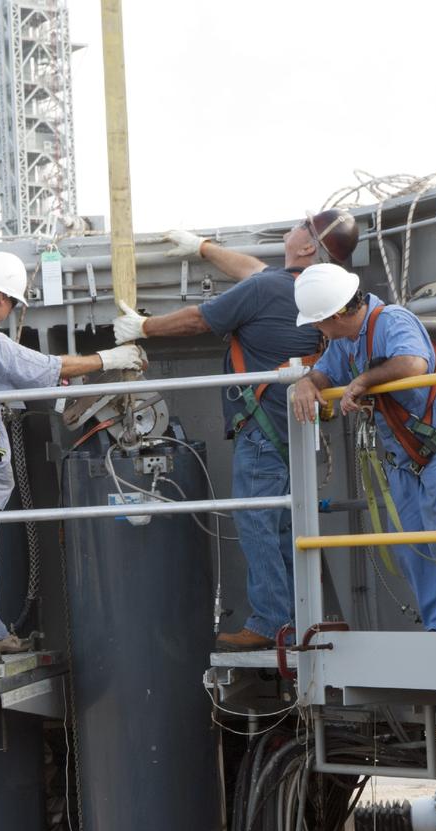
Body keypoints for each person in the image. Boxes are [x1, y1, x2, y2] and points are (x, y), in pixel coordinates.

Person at [113, 211, 359, 650]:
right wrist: (203, 248)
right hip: (292, 431)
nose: (296, 227)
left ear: (307, 247)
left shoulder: (268, 290)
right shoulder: (309, 291)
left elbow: (199, 320)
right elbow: (254, 271)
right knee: (284, 524)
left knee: (258, 522)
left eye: (304, 225)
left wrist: (143, 327)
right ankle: (293, 618)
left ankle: (268, 623)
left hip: (262, 432)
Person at [0, 252, 145, 662]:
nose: (9, 315)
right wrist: (109, 359)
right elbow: (44, 366)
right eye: (12, 306)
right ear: (2, 299)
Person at [290, 264, 436, 632]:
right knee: (410, 549)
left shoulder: (392, 321)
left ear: (337, 314)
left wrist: (363, 382)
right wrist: (308, 384)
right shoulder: (345, 343)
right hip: (401, 459)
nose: (316, 330)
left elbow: (413, 364)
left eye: (317, 322)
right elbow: (324, 372)